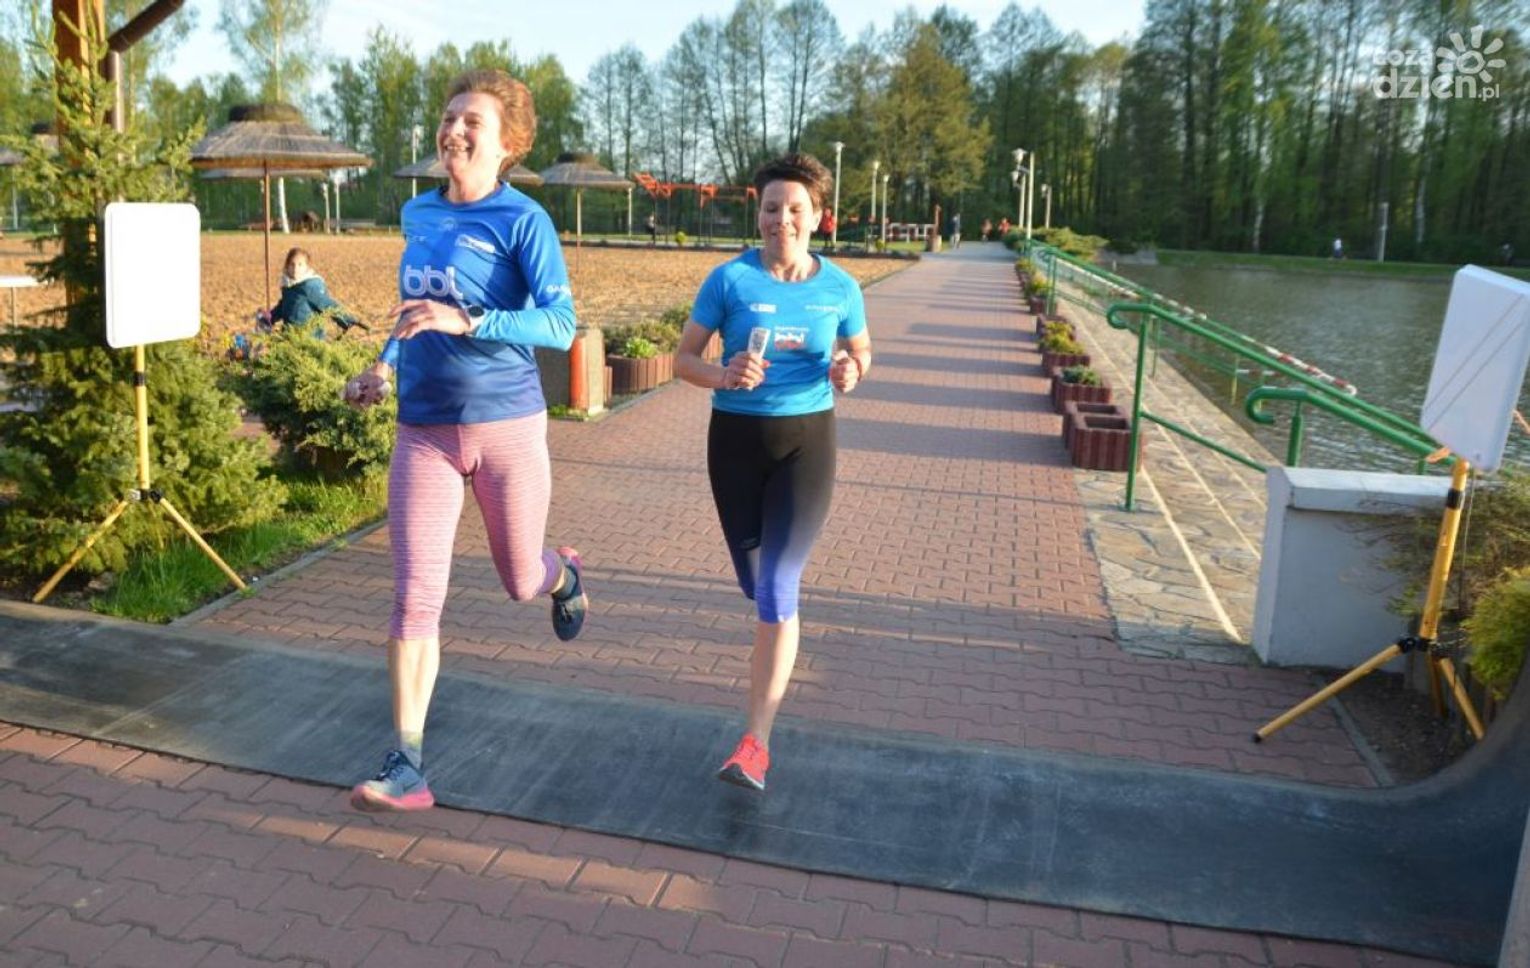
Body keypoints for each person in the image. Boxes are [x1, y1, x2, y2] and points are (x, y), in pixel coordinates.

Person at [342, 68, 589, 812]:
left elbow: (560, 324)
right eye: (449, 117)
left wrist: (471, 320)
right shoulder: (418, 212)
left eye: (471, 122)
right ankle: (407, 763)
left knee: (518, 580)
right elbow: (413, 308)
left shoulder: (524, 221)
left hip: (507, 426)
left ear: (507, 144)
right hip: (424, 430)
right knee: (416, 596)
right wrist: (382, 367)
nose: (453, 130)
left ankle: (563, 576)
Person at [674, 153, 872, 792]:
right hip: (734, 444)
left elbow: (860, 350)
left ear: (818, 217)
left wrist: (851, 369)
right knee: (755, 583)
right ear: (756, 213)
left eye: (795, 209)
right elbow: (682, 360)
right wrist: (722, 372)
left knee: (779, 588)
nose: (781, 219)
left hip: (806, 443)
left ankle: (755, 745)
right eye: (770, 207)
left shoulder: (840, 288)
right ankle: (770, 627)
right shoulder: (729, 281)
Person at [257, 246, 363, 336]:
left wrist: (347, 319)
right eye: (292, 264)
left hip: (310, 338)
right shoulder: (288, 288)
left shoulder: (309, 287)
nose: (295, 268)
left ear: (306, 267)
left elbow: (328, 305)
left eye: (300, 264)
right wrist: (269, 318)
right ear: (287, 266)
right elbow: (282, 307)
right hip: (291, 338)